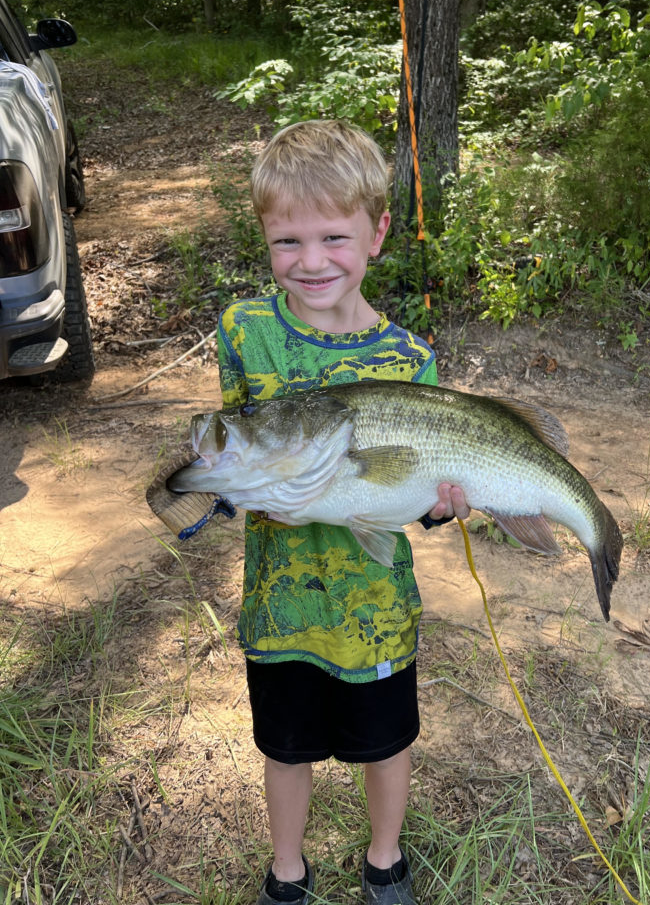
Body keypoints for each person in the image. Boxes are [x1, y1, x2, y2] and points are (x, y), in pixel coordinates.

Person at [216, 119, 468, 905]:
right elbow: (236, 449)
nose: (312, 260)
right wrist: (216, 489)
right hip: (280, 606)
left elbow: (420, 497)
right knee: (285, 747)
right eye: (288, 241)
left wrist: (440, 510)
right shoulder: (244, 334)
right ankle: (286, 870)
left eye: (333, 235)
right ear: (263, 235)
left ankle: (383, 860)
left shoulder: (410, 361)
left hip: (376, 608)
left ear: (378, 232)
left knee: (385, 741)